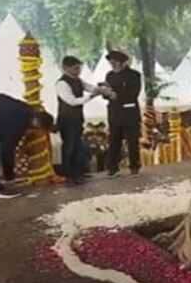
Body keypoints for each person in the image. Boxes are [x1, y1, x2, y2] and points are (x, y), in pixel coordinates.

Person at [56, 55, 100, 186]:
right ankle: (69, 175)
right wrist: (91, 97)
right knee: (69, 147)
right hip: (66, 120)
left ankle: (78, 173)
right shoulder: (62, 84)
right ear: (66, 68)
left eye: (79, 68)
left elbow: (91, 88)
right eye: (75, 68)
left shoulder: (78, 81)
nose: (78, 71)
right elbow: (72, 101)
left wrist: (100, 89)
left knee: (78, 147)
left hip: (77, 119)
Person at [104, 50, 142, 178]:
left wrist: (118, 95)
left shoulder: (134, 75)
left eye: (116, 63)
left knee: (132, 141)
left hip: (129, 113)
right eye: (111, 63)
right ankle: (112, 168)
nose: (113, 65)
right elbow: (107, 94)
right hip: (114, 113)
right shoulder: (109, 76)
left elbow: (133, 94)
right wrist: (105, 92)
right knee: (114, 141)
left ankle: (134, 167)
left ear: (124, 63)